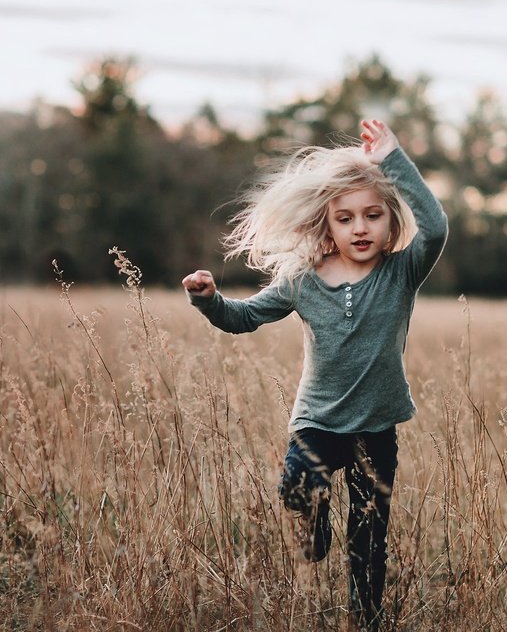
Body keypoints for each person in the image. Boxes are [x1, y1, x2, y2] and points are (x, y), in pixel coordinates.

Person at [182, 119, 448, 630]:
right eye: (346, 218)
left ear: (391, 223)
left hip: (377, 427)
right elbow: (244, 318)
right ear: (328, 225)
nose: (360, 227)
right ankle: (315, 524)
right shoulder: (302, 281)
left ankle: (365, 617)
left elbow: (435, 226)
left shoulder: (401, 273)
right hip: (318, 423)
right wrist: (209, 300)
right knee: (296, 491)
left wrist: (393, 158)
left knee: (370, 539)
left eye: (373, 215)